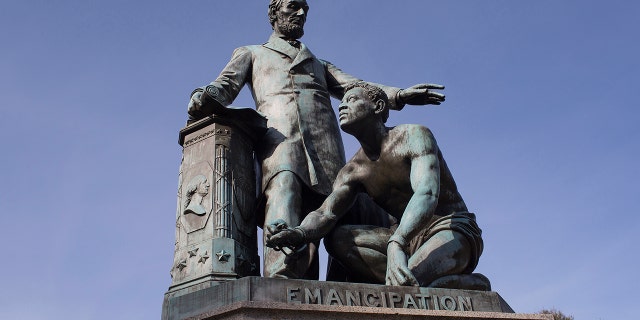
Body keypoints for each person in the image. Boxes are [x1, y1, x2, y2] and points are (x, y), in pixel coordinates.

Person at [187, 0, 446, 280]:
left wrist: (398, 95)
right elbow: (224, 86)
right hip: (280, 141)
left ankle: (350, 285)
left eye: (304, 10)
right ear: (274, 14)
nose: (300, 13)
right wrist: (205, 95)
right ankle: (282, 275)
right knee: (285, 192)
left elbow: (357, 87)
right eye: (292, 7)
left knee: (341, 210)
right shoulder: (252, 53)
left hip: (327, 147)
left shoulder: (319, 65)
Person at [266, 82, 490, 290]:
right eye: (342, 101)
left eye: (352, 99)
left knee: (406, 286)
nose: (343, 105)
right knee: (338, 239)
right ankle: (430, 281)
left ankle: (468, 283)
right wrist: (298, 233)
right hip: (406, 240)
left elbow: (427, 193)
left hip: (449, 229)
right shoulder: (353, 170)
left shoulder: (414, 135)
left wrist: (397, 242)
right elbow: (326, 213)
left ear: (378, 106)